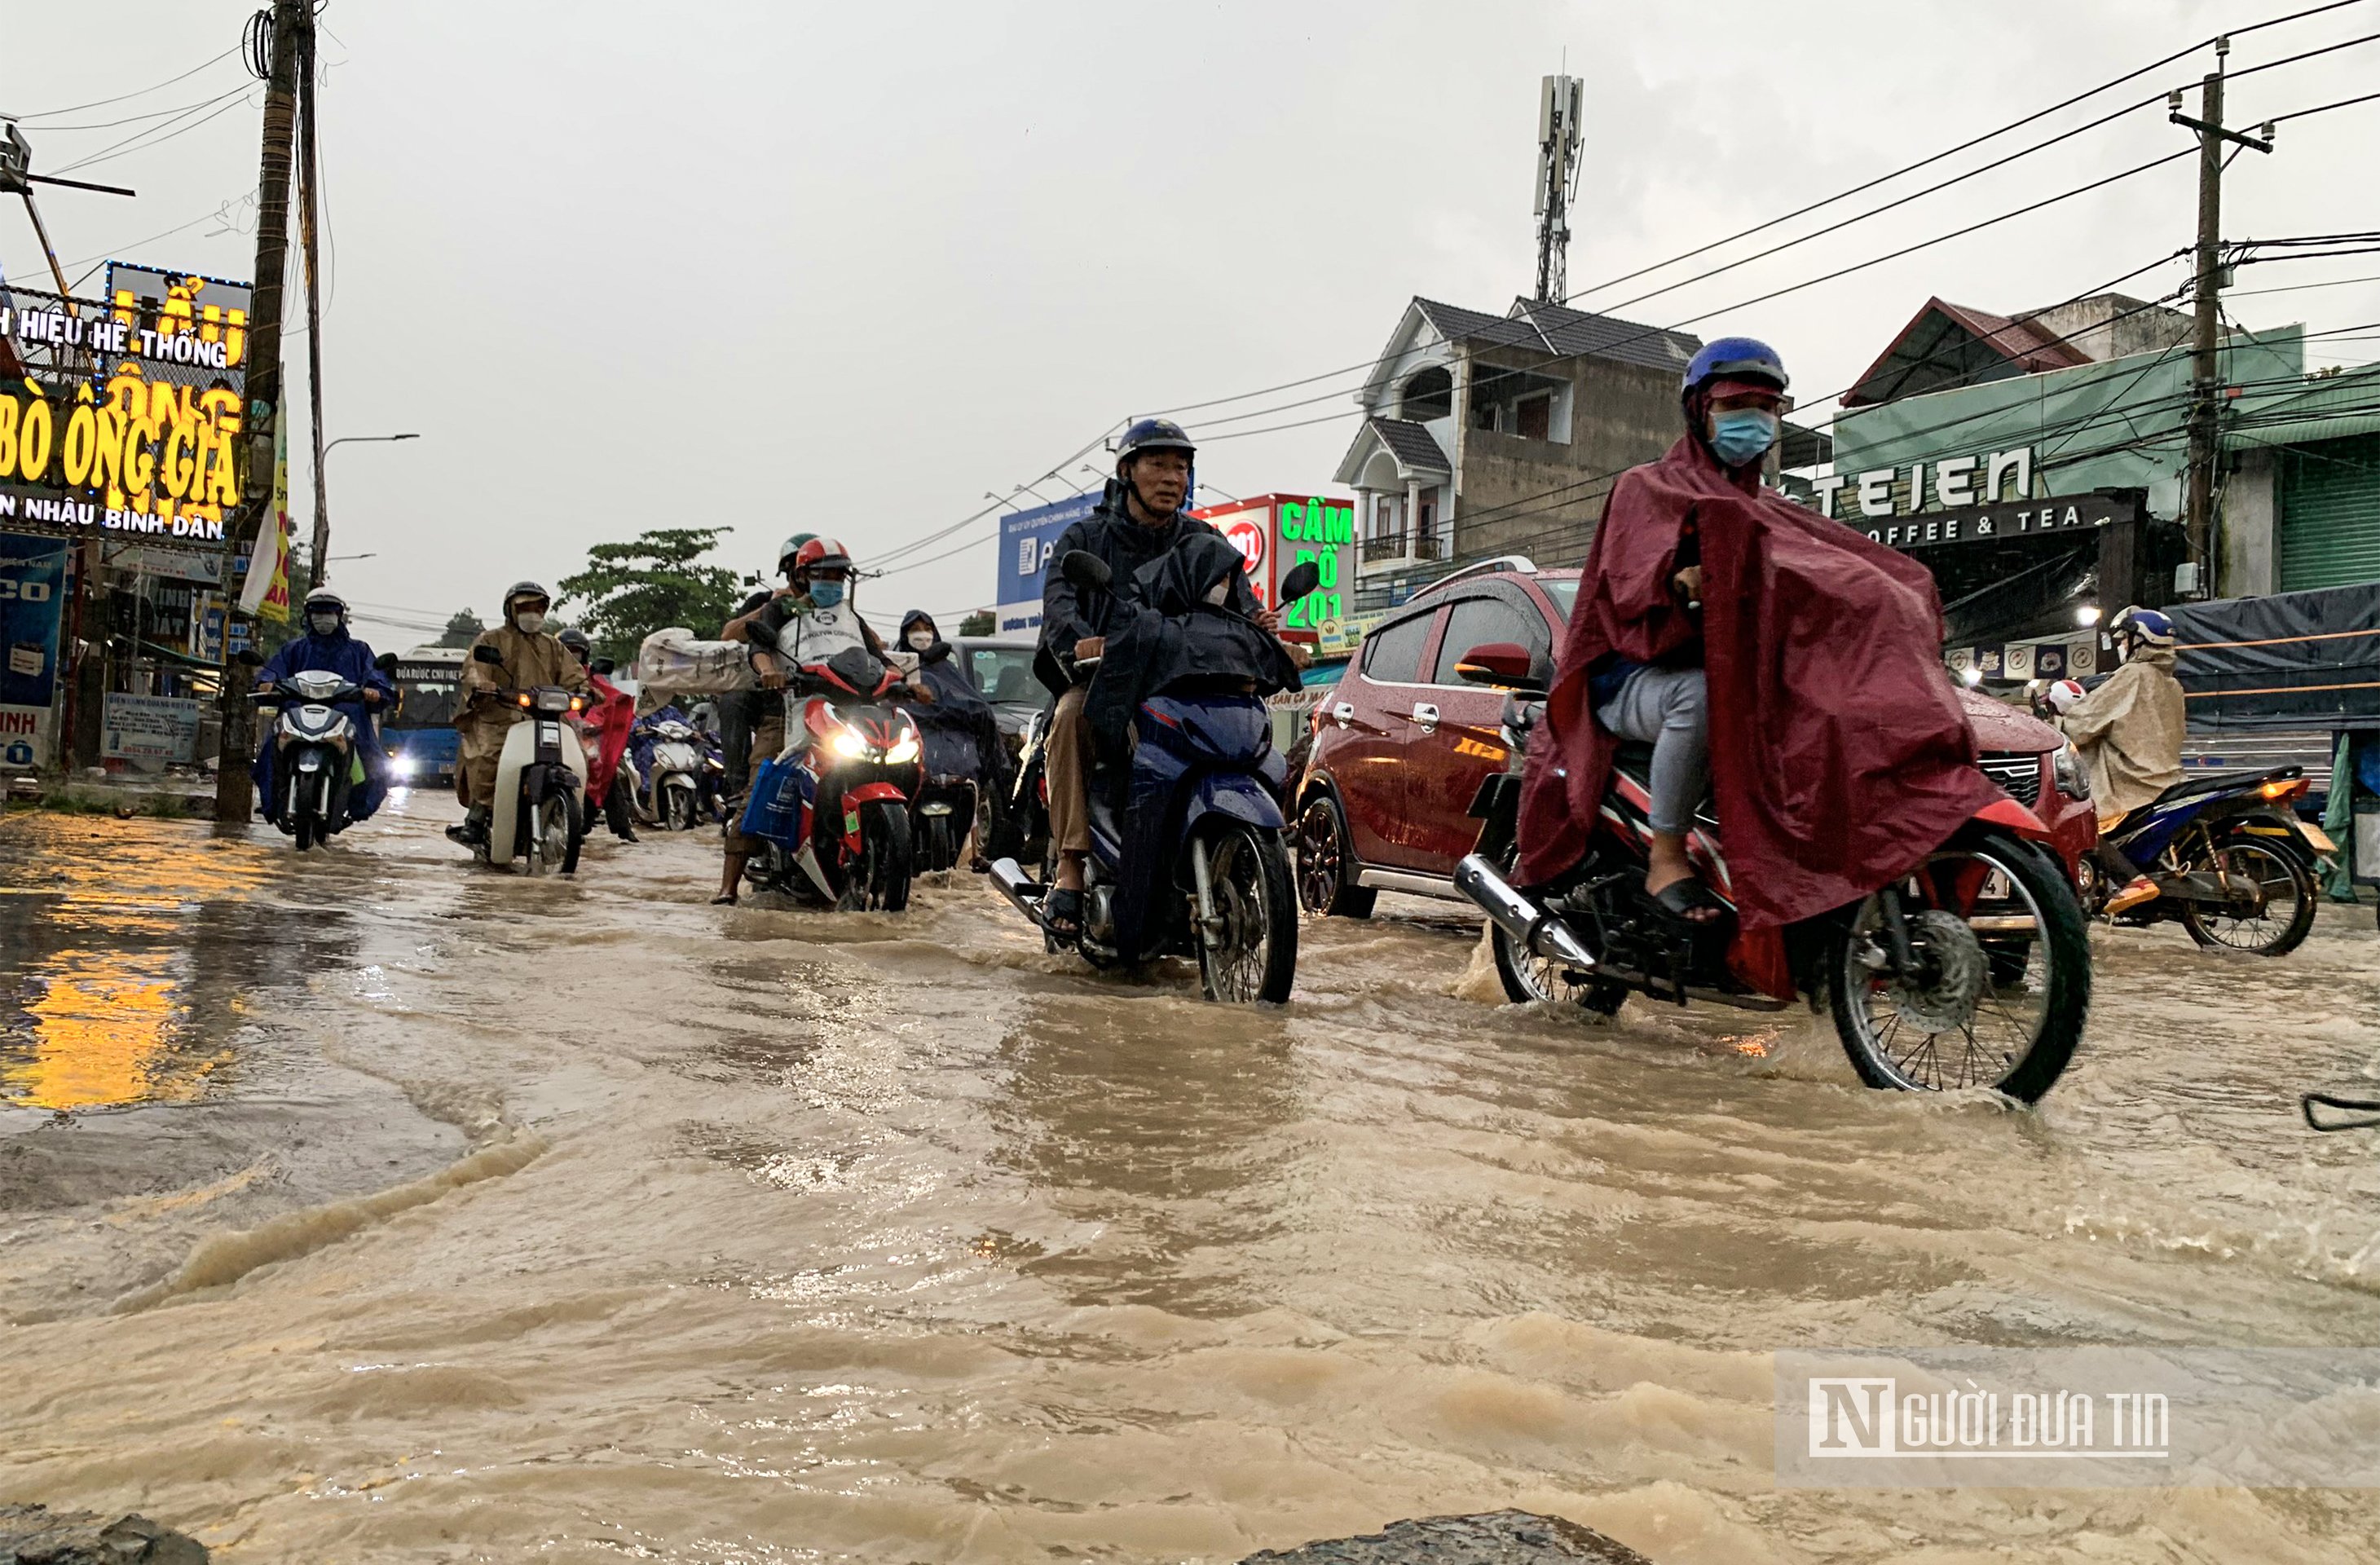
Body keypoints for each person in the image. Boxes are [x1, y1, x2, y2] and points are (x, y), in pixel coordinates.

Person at [1514, 335, 2001, 990]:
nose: (1755, 420)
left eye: (1768, 407)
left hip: (1730, 676)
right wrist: (1679, 581)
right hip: (1626, 676)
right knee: (1700, 697)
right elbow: (1630, 580)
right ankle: (1666, 857)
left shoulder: (1773, 510)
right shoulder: (1646, 488)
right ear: (1699, 411)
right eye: (1736, 404)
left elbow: (1827, 581)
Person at [1034, 417, 1274, 940]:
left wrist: (1262, 627)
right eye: (1159, 465)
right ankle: (1071, 869)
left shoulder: (1204, 540)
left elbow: (1241, 602)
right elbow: (1059, 604)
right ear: (1127, 471)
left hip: (1182, 680)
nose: (1173, 478)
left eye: (1182, 467)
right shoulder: (1087, 536)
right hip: (1106, 679)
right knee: (1072, 716)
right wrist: (1081, 639)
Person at [713, 537, 917, 904]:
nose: (833, 583)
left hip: (851, 710)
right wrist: (769, 671)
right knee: (762, 784)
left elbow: (876, 654)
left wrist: (901, 679)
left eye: (839, 576)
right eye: (826, 575)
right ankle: (728, 887)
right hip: (791, 709)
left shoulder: (850, 616)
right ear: (803, 575)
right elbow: (758, 649)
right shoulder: (778, 609)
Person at [2056, 606, 2186, 914]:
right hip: (2166, 778)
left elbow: (2083, 723)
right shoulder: (2173, 684)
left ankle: (2132, 880)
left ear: (2140, 640)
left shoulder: (2132, 676)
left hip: (2132, 781)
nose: (2122, 646)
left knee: (2079, 823)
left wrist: (2056, 727)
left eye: (2125, 640)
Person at [447, 581, 589, 847]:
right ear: (511, 610)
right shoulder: (491, 640)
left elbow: (575, 676)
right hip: (500, 717)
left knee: (578, 756)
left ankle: (576, 817)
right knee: (489, 756)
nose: (532, 613)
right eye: (525, 607)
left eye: (538, 607)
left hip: (546, 717)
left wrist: (584, 692)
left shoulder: (554, 647)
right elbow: (474, 669)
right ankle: (476, 819)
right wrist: (483, 685)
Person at [252, 589, 394, 828]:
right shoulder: (293, 649)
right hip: (297, 712)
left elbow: (376, 677)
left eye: (328, 612)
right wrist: (266, 682)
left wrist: (374, 690)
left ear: (339, 615)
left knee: (373, 758)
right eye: (317, 612)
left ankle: (357, 803)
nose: (323, 617)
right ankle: (273, 801)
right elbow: (273, 671)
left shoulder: (358, 650)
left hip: (346, 715)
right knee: (269, 750)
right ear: (308, 616)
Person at [897, 609, 1010, 871]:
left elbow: (976, 707)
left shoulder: (947, 670)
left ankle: (972, 853)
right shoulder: (898, 670)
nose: (921, 634)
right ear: (905, 635)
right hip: (914, 745)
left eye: (926, 627)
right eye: (915, 629)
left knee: (969, 784)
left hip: (955, 749)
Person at [560, 628, 639, 843]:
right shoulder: (548, 674)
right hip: (557, 737)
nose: (572, 659)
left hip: (586, 740)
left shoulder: (591, 680)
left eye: (576, 653)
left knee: (606, 770)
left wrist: (593, 722)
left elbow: (606, 701)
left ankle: (623, 826)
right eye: (567, 653)